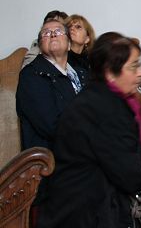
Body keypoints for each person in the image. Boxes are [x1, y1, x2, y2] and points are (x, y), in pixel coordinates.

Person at [33, 33, 141, 228]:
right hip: (81, 217)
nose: (140, 73)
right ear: (110, 73)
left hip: (83, 197)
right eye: (133, 67)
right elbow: (130, 175)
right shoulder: (107, 110)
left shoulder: (99, 96)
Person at [16, 19, 87, 150]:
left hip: (85, 148)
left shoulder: (82, 74)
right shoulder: (31, 75)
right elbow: (52, 126)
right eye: (46, 33)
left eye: (58, 31)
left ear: (69, 44)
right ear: (40, 46)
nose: (53, 35)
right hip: (54, 156)